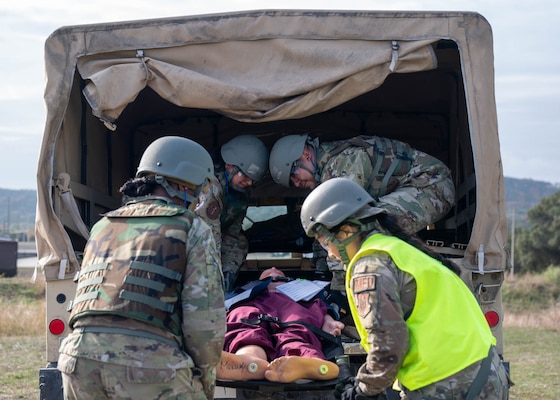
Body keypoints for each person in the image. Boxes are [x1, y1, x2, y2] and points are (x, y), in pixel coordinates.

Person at [299, 178, 511, 400]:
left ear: (346, 230)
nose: (330, 254)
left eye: (325, 242)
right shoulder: (400, 251)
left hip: (450, 385)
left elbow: (388, 346)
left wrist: (363, 390)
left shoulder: (370, 266)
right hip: (486, 373)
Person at [57, 136, 226, 400]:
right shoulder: (191, 227)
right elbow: (204, 324)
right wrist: (204, 381)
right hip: (149, 365)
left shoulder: (103, 226)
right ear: (186, 182)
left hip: (77, 360)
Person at [269, 133, 456, 290]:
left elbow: (343, 227)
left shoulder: (342, 163)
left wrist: (338, 290)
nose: (296, 183)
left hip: (431, 186)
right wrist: (322, 273)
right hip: (416, 188)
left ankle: (377, 291)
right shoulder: (327, 173)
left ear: (305, 155)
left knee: (369, 226)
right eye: (291, 183)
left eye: (293, 174)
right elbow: (324, 234)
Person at [217, 267, 345, 383]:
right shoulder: (243, 291)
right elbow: (223, 306)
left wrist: (329, 321)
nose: (273, 268)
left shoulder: (306, 289)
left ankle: (308, 362)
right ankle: (248, 358)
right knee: (245, 325)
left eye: (279, 272)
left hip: (292, 305)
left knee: (296, 330)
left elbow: (323, 306)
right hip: (252, 303)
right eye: (267, 271)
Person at [193, 134, 269, 292]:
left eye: (253, 180)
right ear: (229, 166)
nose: (249, 183)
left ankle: (224, 290)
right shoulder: (208, 185)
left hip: (220, 236)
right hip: (196, 241)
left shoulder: (240, 191)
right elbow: (206, 235)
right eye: (247, 176)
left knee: (238, 243)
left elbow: (233, 231)